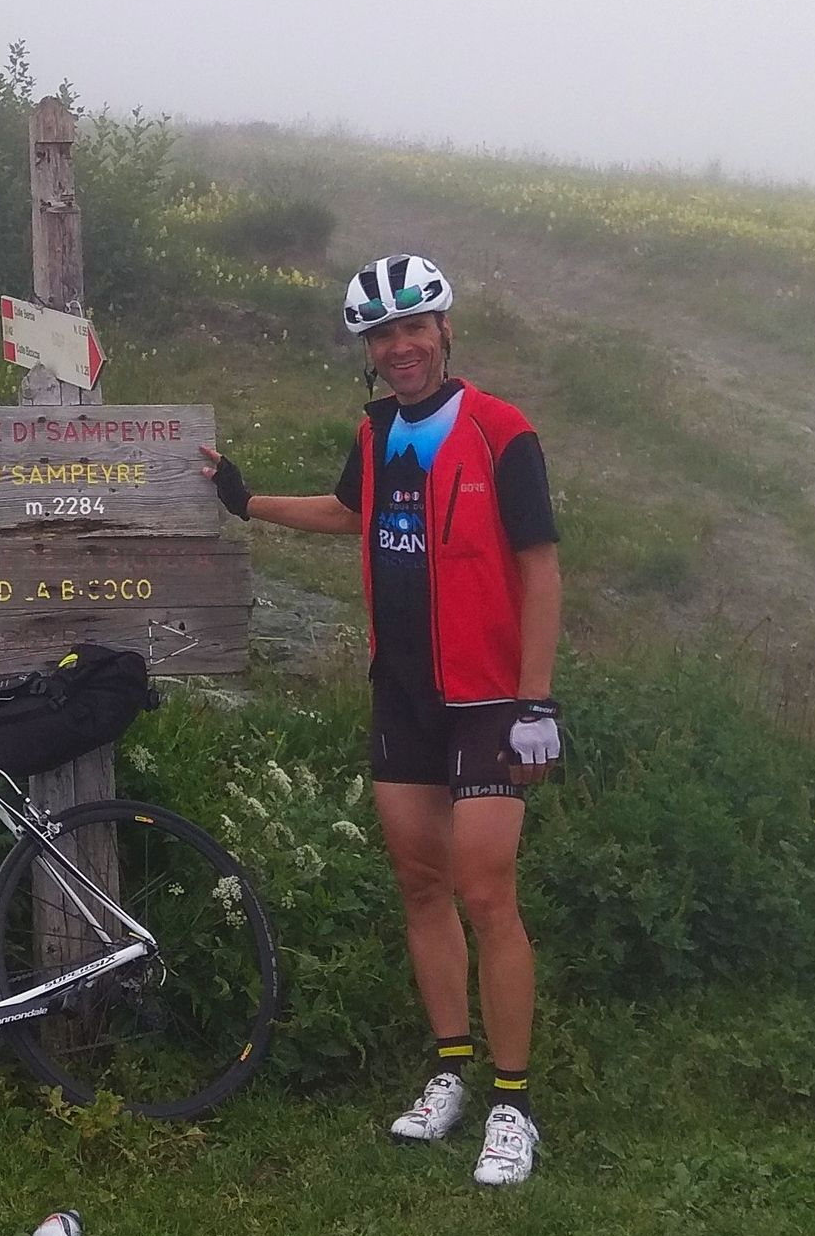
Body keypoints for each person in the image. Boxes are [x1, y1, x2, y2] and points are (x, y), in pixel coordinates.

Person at [201, 253, 561, 1186]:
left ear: (444, 332)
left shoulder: (501, 432)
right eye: (381, 334)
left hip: (490, 702)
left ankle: (513, 1104)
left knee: (487, 895)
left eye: (414, 328)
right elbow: (347, 512)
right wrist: (245, 503)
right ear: (368, 348)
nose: (399, 347)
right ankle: (450, 1070)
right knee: (420, 889)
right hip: (402, 696)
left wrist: (537, 701)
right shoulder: (375, 435)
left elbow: (541, 568)